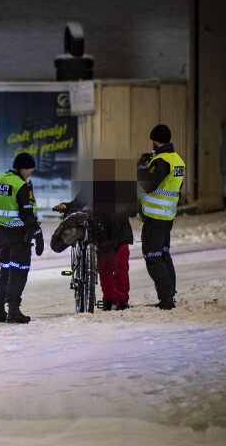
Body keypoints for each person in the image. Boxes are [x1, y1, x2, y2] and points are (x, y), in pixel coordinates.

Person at [52, 183, 135, 311]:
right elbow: (77, 203)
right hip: (101, 232)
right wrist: (66, 206)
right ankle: (109, 301)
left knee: (121, 266)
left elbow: (134, 209)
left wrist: (123, 208)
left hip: (120, 232)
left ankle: (121, 301)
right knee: (104, 267)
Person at [0, 152, 43, 323]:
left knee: (5, 270)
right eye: (30, 170)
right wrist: (38, 235)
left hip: (1, 234)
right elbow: (27, 214)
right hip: (19, 236)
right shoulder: (21, 186)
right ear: (23, 168)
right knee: (19, 271)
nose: (31, 173)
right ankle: (14, 311)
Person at [137, 124, 186, 310]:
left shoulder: (161, 161)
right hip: (167, 218)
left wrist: (142, 167)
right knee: (164, 255)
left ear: (156, 141)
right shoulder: (177, 160)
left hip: (155, 219)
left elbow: (146, 185)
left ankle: (166, 300)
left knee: (153, 257)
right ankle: (169, 295)